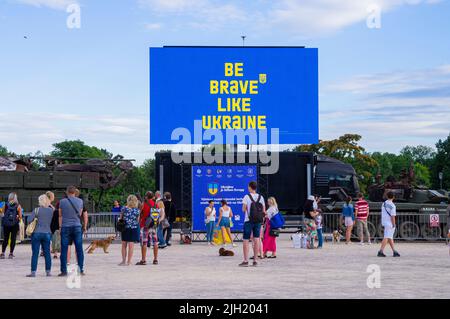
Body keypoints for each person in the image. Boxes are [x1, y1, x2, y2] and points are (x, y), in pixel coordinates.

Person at [58, 186, 86, 277]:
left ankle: (63, 271)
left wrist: (60, 227)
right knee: (79, 249)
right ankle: (80, 269)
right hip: (77, 226)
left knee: (64, 249)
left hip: (65, 226)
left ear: (67, 192)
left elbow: (60, 215)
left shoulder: (62, 202)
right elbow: (80, 213)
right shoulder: (80, 201)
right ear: (75, 192)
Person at [239, 181, 265, 267]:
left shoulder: (246, 196)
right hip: (258, 221)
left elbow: (243, 209)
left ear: (250, 187)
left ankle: (246, 260)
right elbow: (263, 211)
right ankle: (255, 260)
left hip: (248, 221)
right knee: (257, 239)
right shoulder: (261, 197)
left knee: (246, 240)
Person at [27, 194, 53, 277]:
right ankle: (48, 272)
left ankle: (33, 272)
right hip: (47, 233)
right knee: (47, 253)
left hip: (37, 233)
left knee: (35, 253)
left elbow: (29, 220)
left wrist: (36, 219)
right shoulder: (50, 210)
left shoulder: (36, 210)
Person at [119, 195, 141, 266]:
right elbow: (138, 220)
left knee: (123, 245)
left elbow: (121, 218)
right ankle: (129, 262)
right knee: (131, 246)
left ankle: (123, 261)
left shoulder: (124, 208)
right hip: (133, 228)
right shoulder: (137, 210)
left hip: (124, 228)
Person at [378, 191, 400, 257]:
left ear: (387, 196)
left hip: (384, 221)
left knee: (390, 237)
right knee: (387, 237)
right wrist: (394, 224)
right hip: (389, 223)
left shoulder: (384, 203)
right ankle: (380, 251)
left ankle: (394, 251)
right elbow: (393, 216)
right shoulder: (393, 206)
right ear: (393, 197)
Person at [1, 192, 23, 259]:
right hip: (14, 224)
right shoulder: (18, 206)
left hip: (6, 225)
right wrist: (17, 217)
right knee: (13, 239)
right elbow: (20, 216)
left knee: (5, 239)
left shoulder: (5, 204)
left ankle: (2, 253)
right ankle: (11, 254)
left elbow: (2, 214)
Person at [136, 192, 155, 265]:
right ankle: (155, 259)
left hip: (144, 225)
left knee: (144, 242)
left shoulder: (144, 204)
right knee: (155, 243)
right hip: (153, 225)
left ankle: (143, 260)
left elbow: (139, 213)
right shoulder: (155, 204)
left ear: (146, 196)